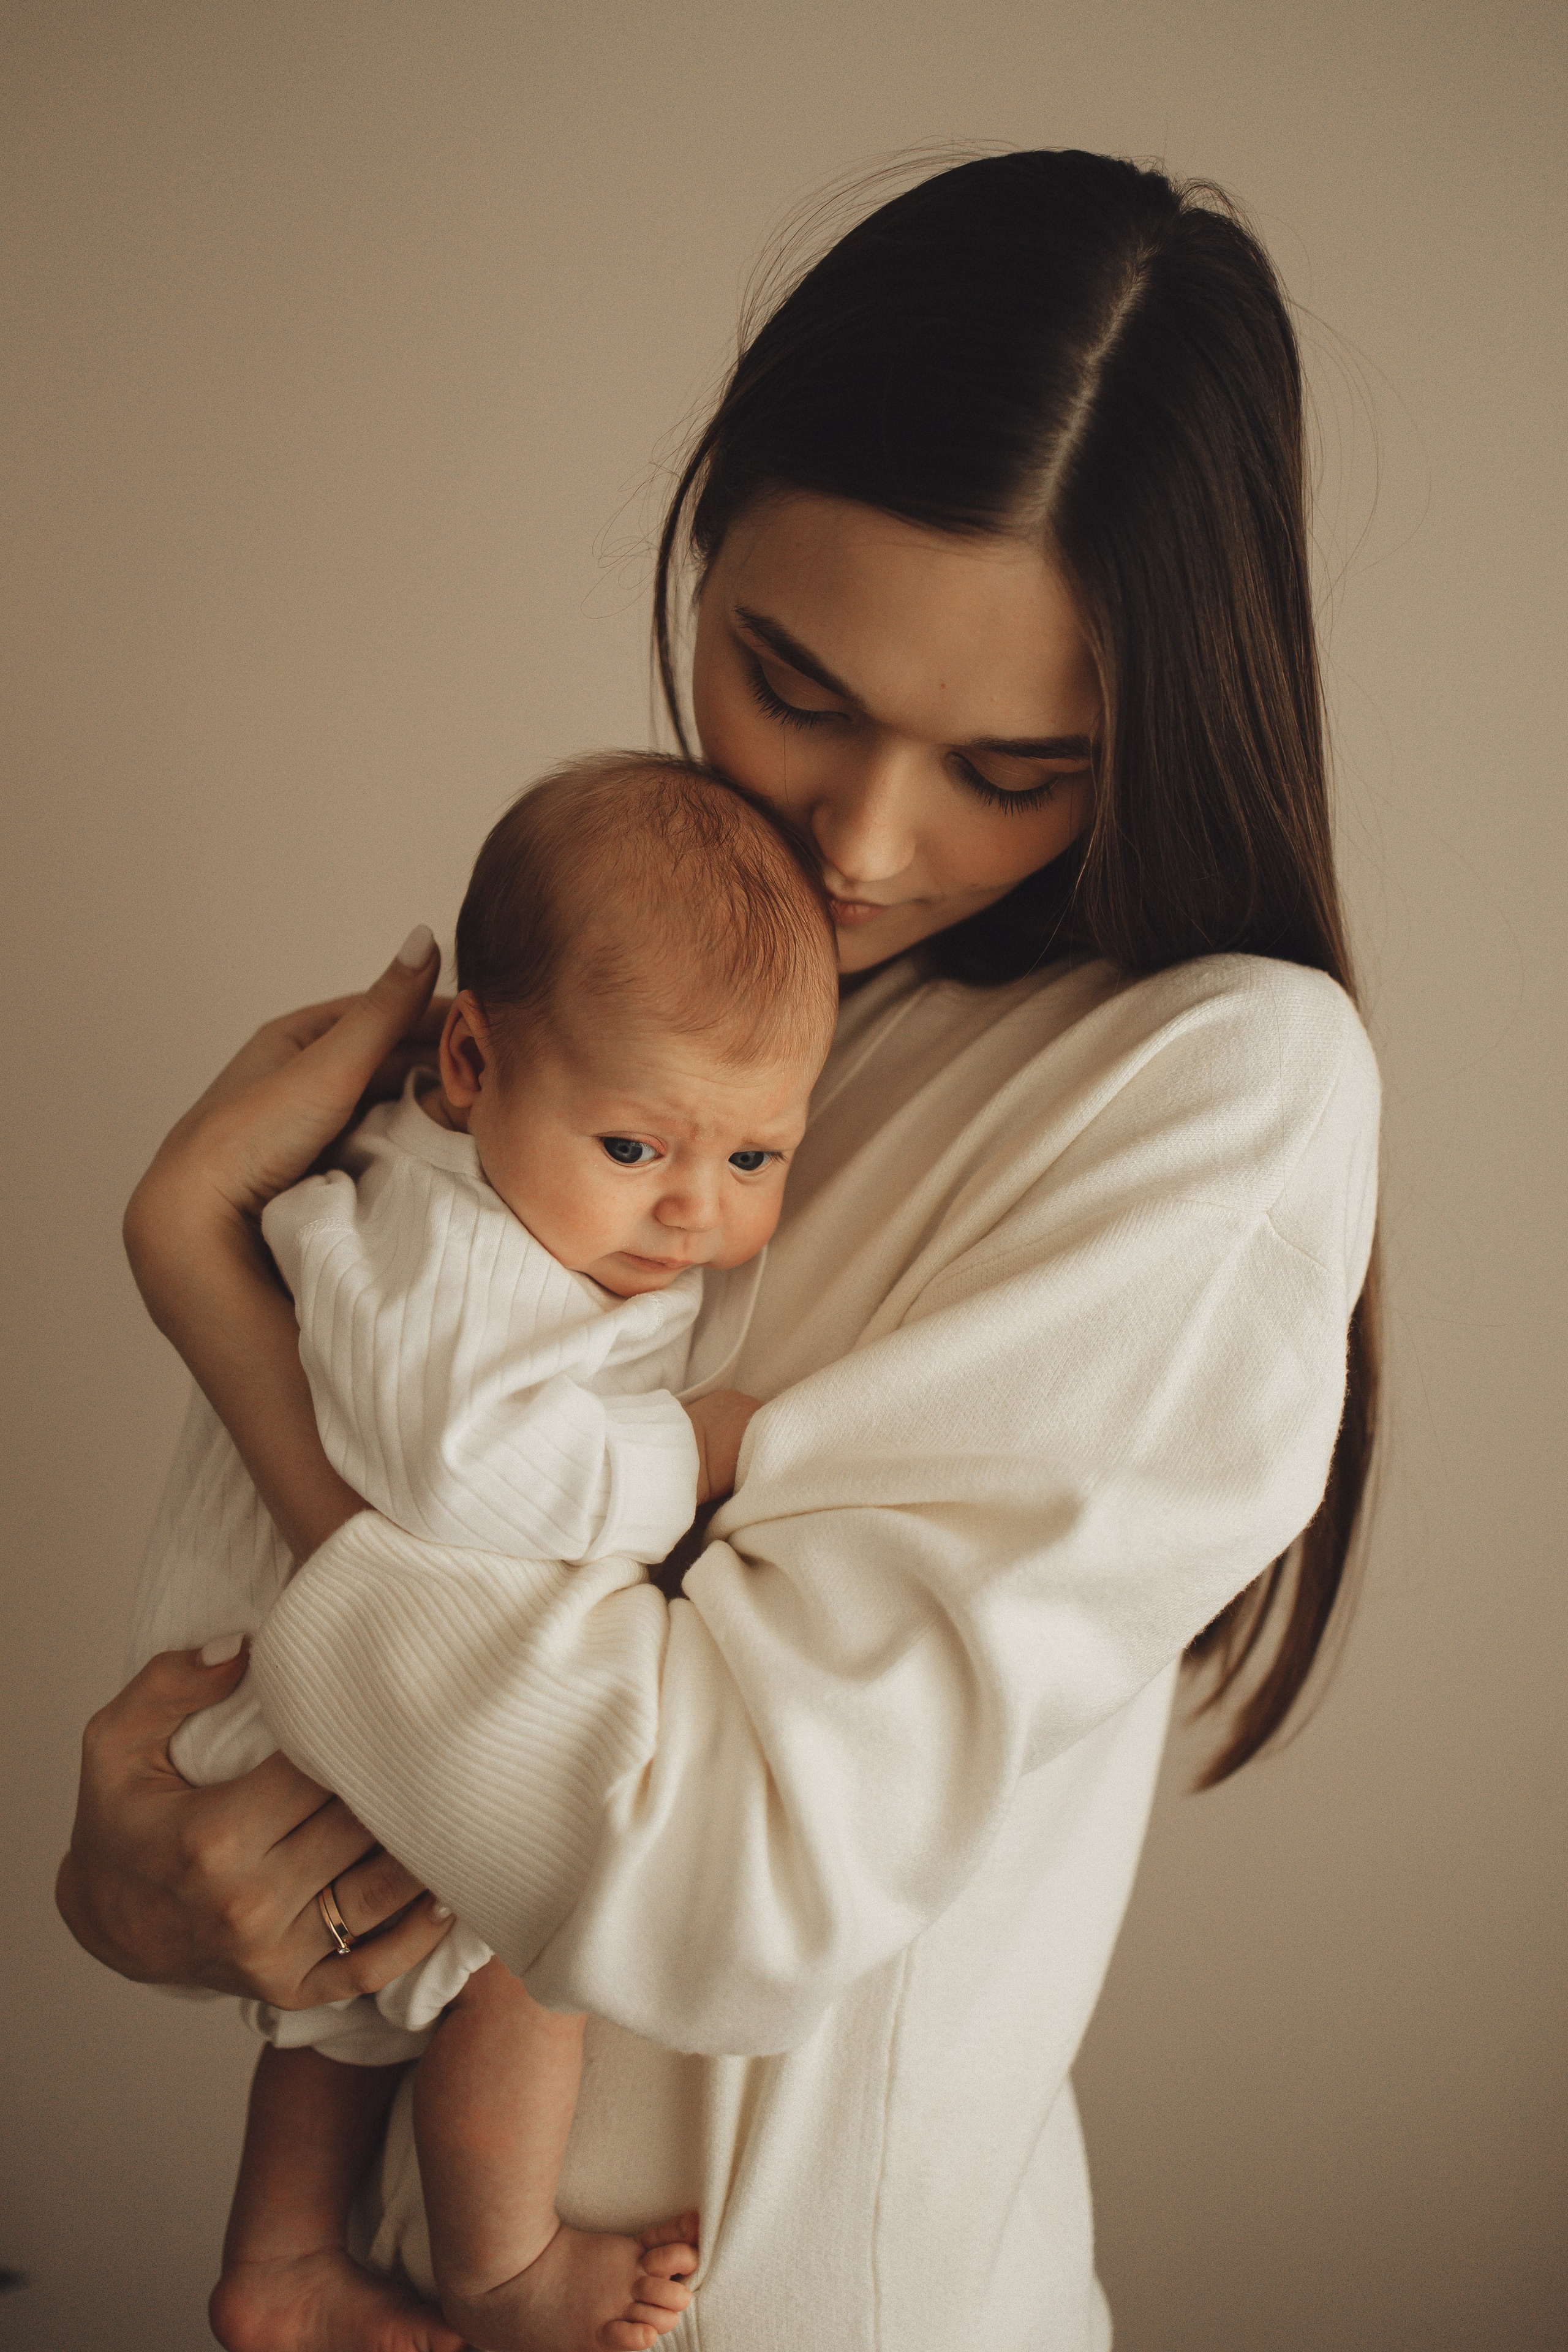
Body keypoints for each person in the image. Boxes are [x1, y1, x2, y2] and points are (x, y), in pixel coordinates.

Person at [58, 149, 1381, 2351]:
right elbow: (402, 1718)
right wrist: (147, 1895)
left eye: (1013, 767)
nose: (864, 839)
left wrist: (210, 1287)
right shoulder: (650, 975)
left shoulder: (1214, 1095)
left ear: (1162, 721)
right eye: (794, 681)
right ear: (707, 532)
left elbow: (714, 1883)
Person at [125, 753, 840, 2352]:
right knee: (544, 1926)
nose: (693, 1213)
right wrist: (691, 1448)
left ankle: (280, 2262)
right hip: (295, 1681)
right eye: (639, 1147)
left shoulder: (525, 1193)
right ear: (469, 1059)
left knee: (353, 2002)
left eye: (753, 1159)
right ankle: (504, 2267)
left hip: (321, 1672)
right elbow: (460, 1466)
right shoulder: (449, 1239)